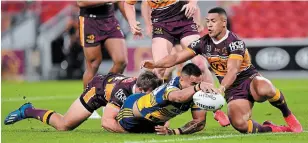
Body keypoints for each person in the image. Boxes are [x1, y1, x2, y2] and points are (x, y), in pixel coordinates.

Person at [142, 7, 303, 133]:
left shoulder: (235, 43)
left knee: (265, 87)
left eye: (213, 21)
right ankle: (274, 128)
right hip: (233, 90)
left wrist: (222, 88)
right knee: (240, 125)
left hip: (249, 80)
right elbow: (177, 57)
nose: (209, 25)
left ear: (223, 22)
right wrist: (157, 64)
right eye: (207, 21)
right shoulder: (202, 43)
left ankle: (288, 115)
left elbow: (232, 71)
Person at [127, 0, 230, 126]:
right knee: (159, 70)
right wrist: (133, 23)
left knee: (200, 64)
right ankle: (157, 114)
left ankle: (216, 109)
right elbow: (129, 3)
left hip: (183, 19)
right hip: (161, 23)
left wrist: (192, 4)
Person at [4, 72, 162, 131]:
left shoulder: (142, 87)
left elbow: (158, 111)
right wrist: (133, 132)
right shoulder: (122, 92)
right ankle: (28, 110)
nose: (152, 97)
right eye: (150, 94)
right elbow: (106, 122)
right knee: (64, 125)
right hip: (97, 91)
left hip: (110, 84)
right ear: (140, 90)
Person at [103, 63, 218, 134]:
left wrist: (174, 132)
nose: (196, 87)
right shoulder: (172, 87)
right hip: (132, 111)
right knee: (128, 131)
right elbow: (178, 97)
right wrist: (198, 87)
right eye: (193, 83)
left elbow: (199, 122)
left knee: (152, 132)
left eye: (198, 83)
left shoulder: (195, 93)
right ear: (182, 79)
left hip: (154, 120)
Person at [77, 1, 128, 118]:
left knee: (121, 61)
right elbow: (81, 2)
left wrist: (131, 21)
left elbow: (121, 2)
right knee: (93, 64)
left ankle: (107, 97)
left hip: (109, 20)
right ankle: (88, 103)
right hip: (90, 20)